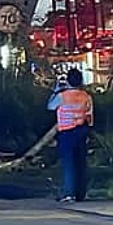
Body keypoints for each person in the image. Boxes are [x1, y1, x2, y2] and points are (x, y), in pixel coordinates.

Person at [47, 68, 93, 203]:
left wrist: (56, 90)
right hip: (81, 131)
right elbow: (90, 115)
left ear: (67, 81)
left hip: (66, 132)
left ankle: (69, 194)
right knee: (81, 163)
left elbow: (50, 106)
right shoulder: (86, 96)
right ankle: (81, 193)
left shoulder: (63, 96)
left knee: (69, 163)